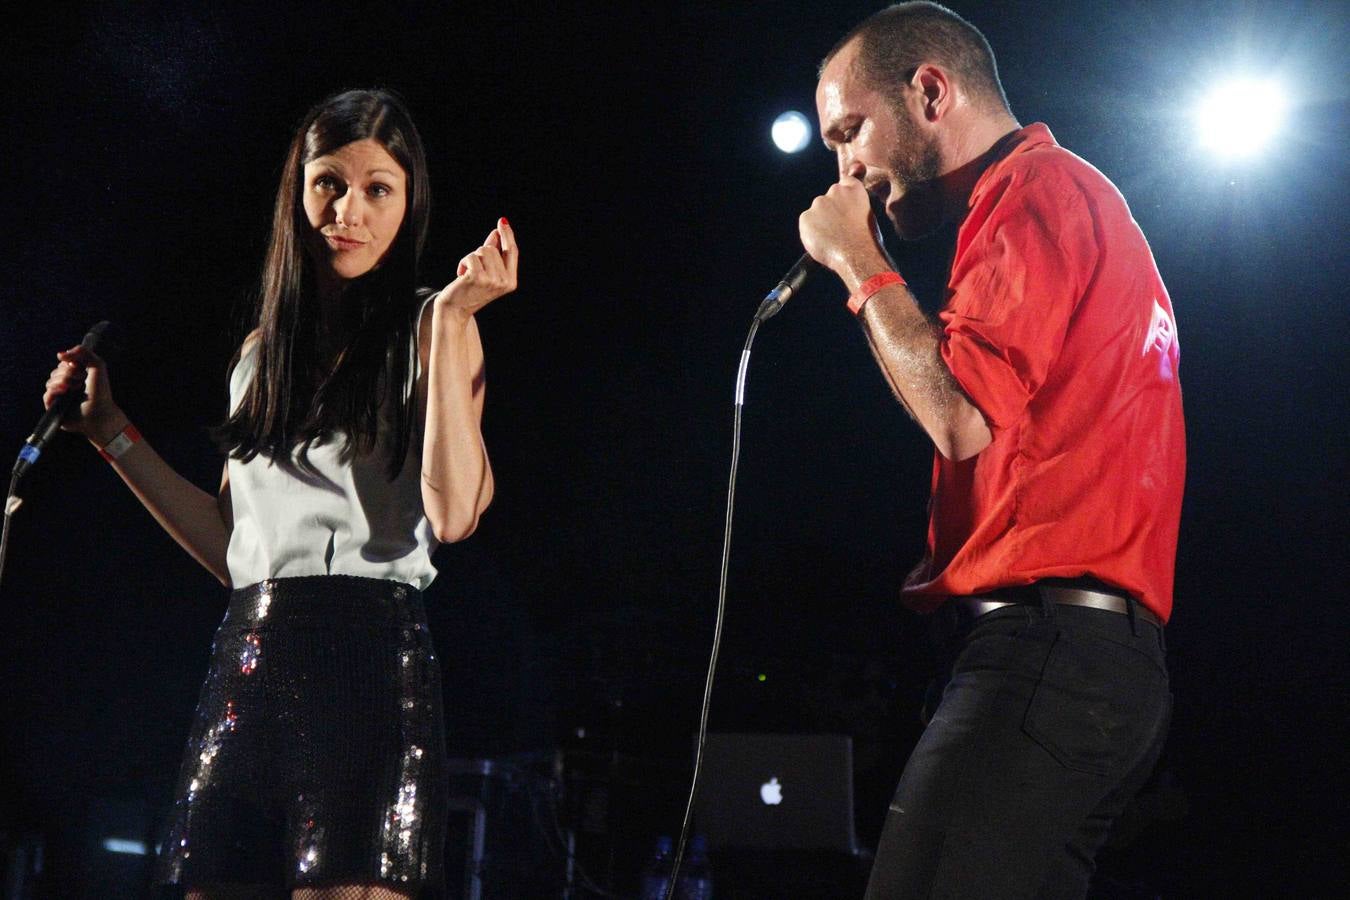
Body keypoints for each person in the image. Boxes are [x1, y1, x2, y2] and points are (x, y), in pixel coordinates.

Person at [42, 89, 518, 899]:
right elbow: (236, 550)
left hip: (370, 656)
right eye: (328, 182)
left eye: (379, 189)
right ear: (297, 192)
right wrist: (110, 433)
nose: (349, 209)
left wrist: (446, 322)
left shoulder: (436, 327)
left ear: (409, 205)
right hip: (250, 654)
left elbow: (456, 513)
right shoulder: (259, 353)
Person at [797, 4, 1184, 897]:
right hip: (1089, 662)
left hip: (1049, 653)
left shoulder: (1037, 191)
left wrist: (858, 263)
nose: (845, 166)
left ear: (929, 89)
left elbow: (961, 412)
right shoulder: (1064, 200)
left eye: (849, 130)